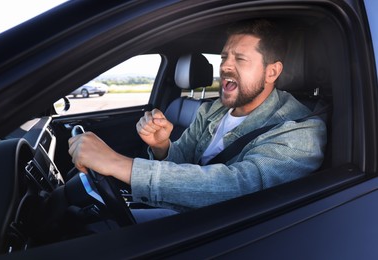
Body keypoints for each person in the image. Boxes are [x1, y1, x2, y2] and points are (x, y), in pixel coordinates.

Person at [68, 19, 326, 220]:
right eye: (224, 56)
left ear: (272, 72)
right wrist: (161, 146)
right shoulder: (212, 110)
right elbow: (184, 161)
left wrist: (118, 164)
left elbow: (240, 187)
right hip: (178, 212)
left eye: (240, 59)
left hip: (219, 232)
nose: (225, 66)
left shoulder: (300, 130)